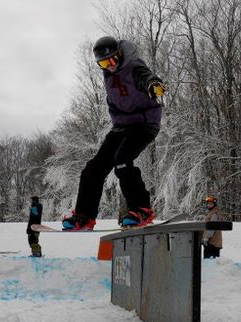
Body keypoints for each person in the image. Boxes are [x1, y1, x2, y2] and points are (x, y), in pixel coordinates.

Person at [62, 36, 167, 231]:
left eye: (111, 61)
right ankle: (84, 216)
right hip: (121, 127)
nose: (108, 66)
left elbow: (145, 77)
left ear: (119, 54)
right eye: (103, 63)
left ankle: (142, 209)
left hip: (144, 123)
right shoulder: (108, 73)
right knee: (93, 169)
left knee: (122, 161)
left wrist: (153, 85)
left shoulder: (133, 66)